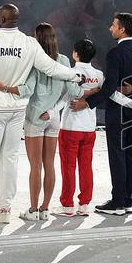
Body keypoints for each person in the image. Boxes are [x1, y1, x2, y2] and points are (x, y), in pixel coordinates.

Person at [0, 4, 82, 225]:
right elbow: (51, 68)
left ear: (1, 19)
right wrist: (74, 75)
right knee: (10, 158)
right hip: (17, 110)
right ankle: (5, 209)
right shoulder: (29, 44)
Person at [76, 13, 132, 216]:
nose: (110, 28)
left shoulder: (115, 53)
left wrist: (87, 103)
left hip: (118, 114)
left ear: (122, 29)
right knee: (130, 155)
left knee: (117, 156)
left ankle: (117, 202)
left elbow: (109, 88)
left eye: (113, 25)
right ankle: (127, 200)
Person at [57, 39, 104, 216]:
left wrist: (50, 112)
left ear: (75, 54)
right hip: (89, 128)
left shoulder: (70, 73)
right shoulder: (99, 75)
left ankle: (67, 205)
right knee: (86, 167)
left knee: (68, 167)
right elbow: (103, 94)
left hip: (70, 127)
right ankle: (84, 205)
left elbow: (63, 97)